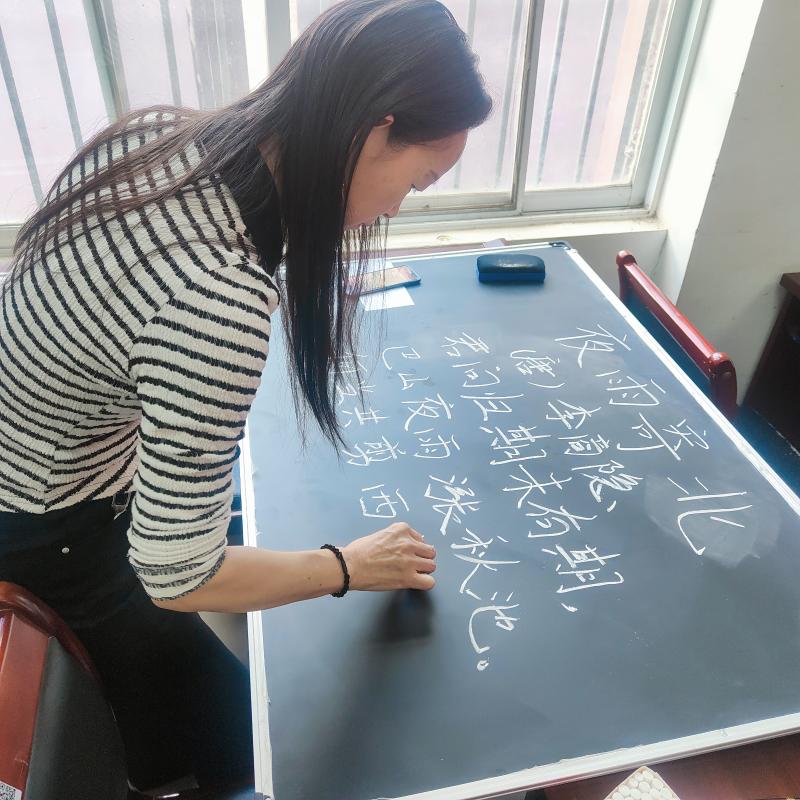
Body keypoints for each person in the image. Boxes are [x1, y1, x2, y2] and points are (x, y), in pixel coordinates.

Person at [0, 0, 491, 795]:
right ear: (373, 130)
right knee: (257, 743)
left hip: (44, 434)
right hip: (41, 518)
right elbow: (176, 574)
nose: (400, 207)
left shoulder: (160, 136)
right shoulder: (217, 297)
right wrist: (345, 567)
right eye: (417, 179)